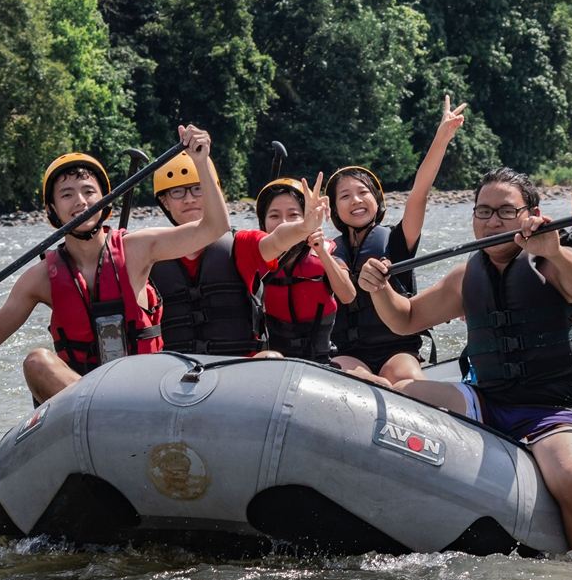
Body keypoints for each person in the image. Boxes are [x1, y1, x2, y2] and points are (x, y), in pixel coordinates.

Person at [358, 168, 572, 556]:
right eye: (484, 211)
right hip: (489, 399)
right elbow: (405, 318)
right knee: (402, 393)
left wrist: (555, 250)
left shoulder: (553, 262)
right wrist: (380, 288)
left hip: (557, 407)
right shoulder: (466, 276)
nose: (493, 220)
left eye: (506, 211)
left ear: (532, 213)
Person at [0, 125, 228, 402]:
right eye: (67, 194)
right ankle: (100, 413)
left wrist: (201, 162)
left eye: (89, 192)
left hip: (145, 392)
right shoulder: (40, 279)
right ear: (52, 210)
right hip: (83, 401)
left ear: (105, 200)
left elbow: (213, 228)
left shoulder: (138, 248)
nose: (81, 202)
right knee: (36, 361)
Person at [327, 95, 468, 383]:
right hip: (349, 352)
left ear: (378, 201)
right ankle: (378, 386)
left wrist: (441, 138)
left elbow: (419, 194)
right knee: (351, 376)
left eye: (363, 192)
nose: (356, 200)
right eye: (345, 196)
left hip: (398, 348)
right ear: (334, 210)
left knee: (404, 377)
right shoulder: (328, 250)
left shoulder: (397, 239)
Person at [147, 152, 295, 358]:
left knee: (272, 358)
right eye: (178, 192)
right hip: (172, 373)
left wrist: (305, 227)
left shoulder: (240, 244)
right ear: (164, 201)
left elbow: (277, 241)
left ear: (212, 193)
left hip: (236, 368)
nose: (189, 199)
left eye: (198, 189)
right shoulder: (148, 251)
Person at [254, 174, 356, 362]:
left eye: (293, 215)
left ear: (306, 219)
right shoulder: (253, 261)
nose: (284, 223)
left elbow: (348, 295)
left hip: (321, 359)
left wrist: (322, 254)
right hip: (274, 361)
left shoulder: (327, 253)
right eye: (274, 215)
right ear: (263, 223)